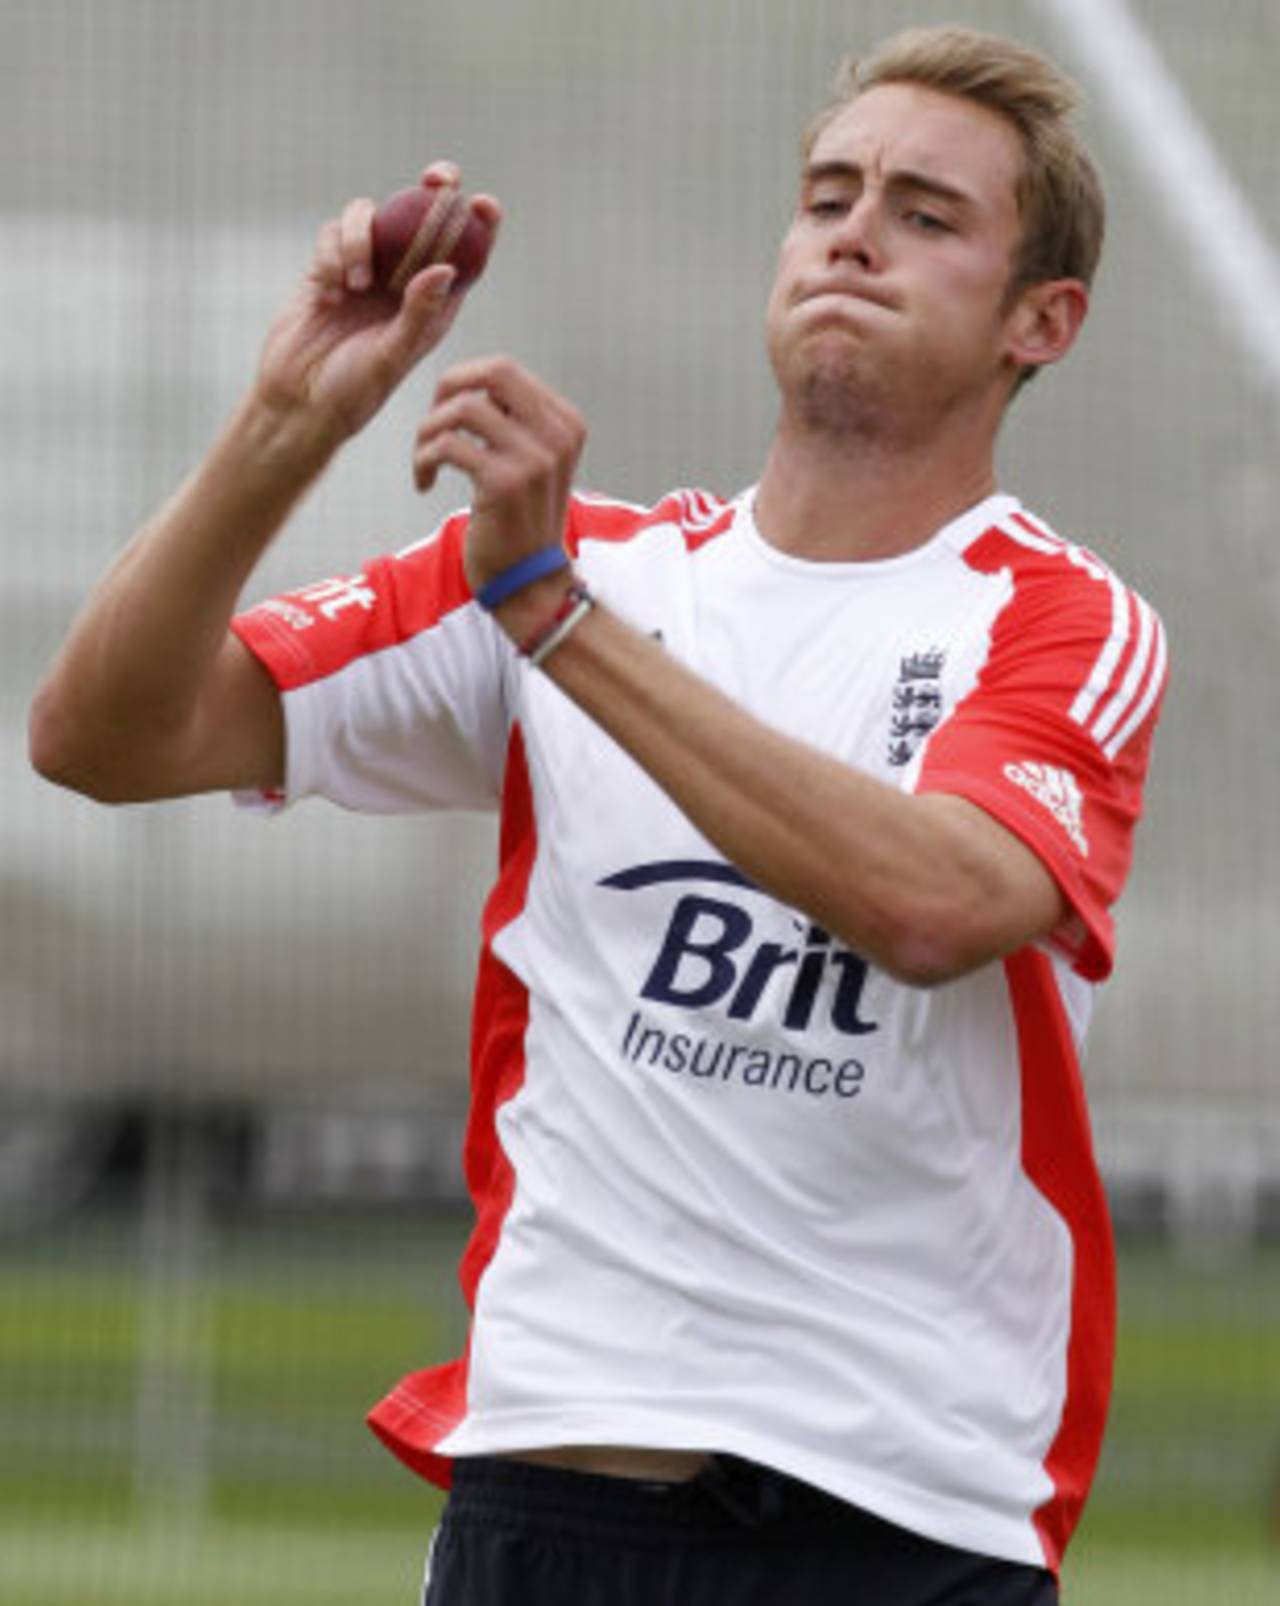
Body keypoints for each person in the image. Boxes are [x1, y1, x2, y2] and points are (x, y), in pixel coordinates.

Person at [30, 23, 1168, 1606]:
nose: (854, 230)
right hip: (554, 1488)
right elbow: (100, 735)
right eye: (829, 192)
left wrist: (558, 621)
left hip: (899, 1510)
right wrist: (291, 419)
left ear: (1040, 320)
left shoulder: (1058, 618)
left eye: (926, 213)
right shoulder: (583, 569)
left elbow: (936, 904)